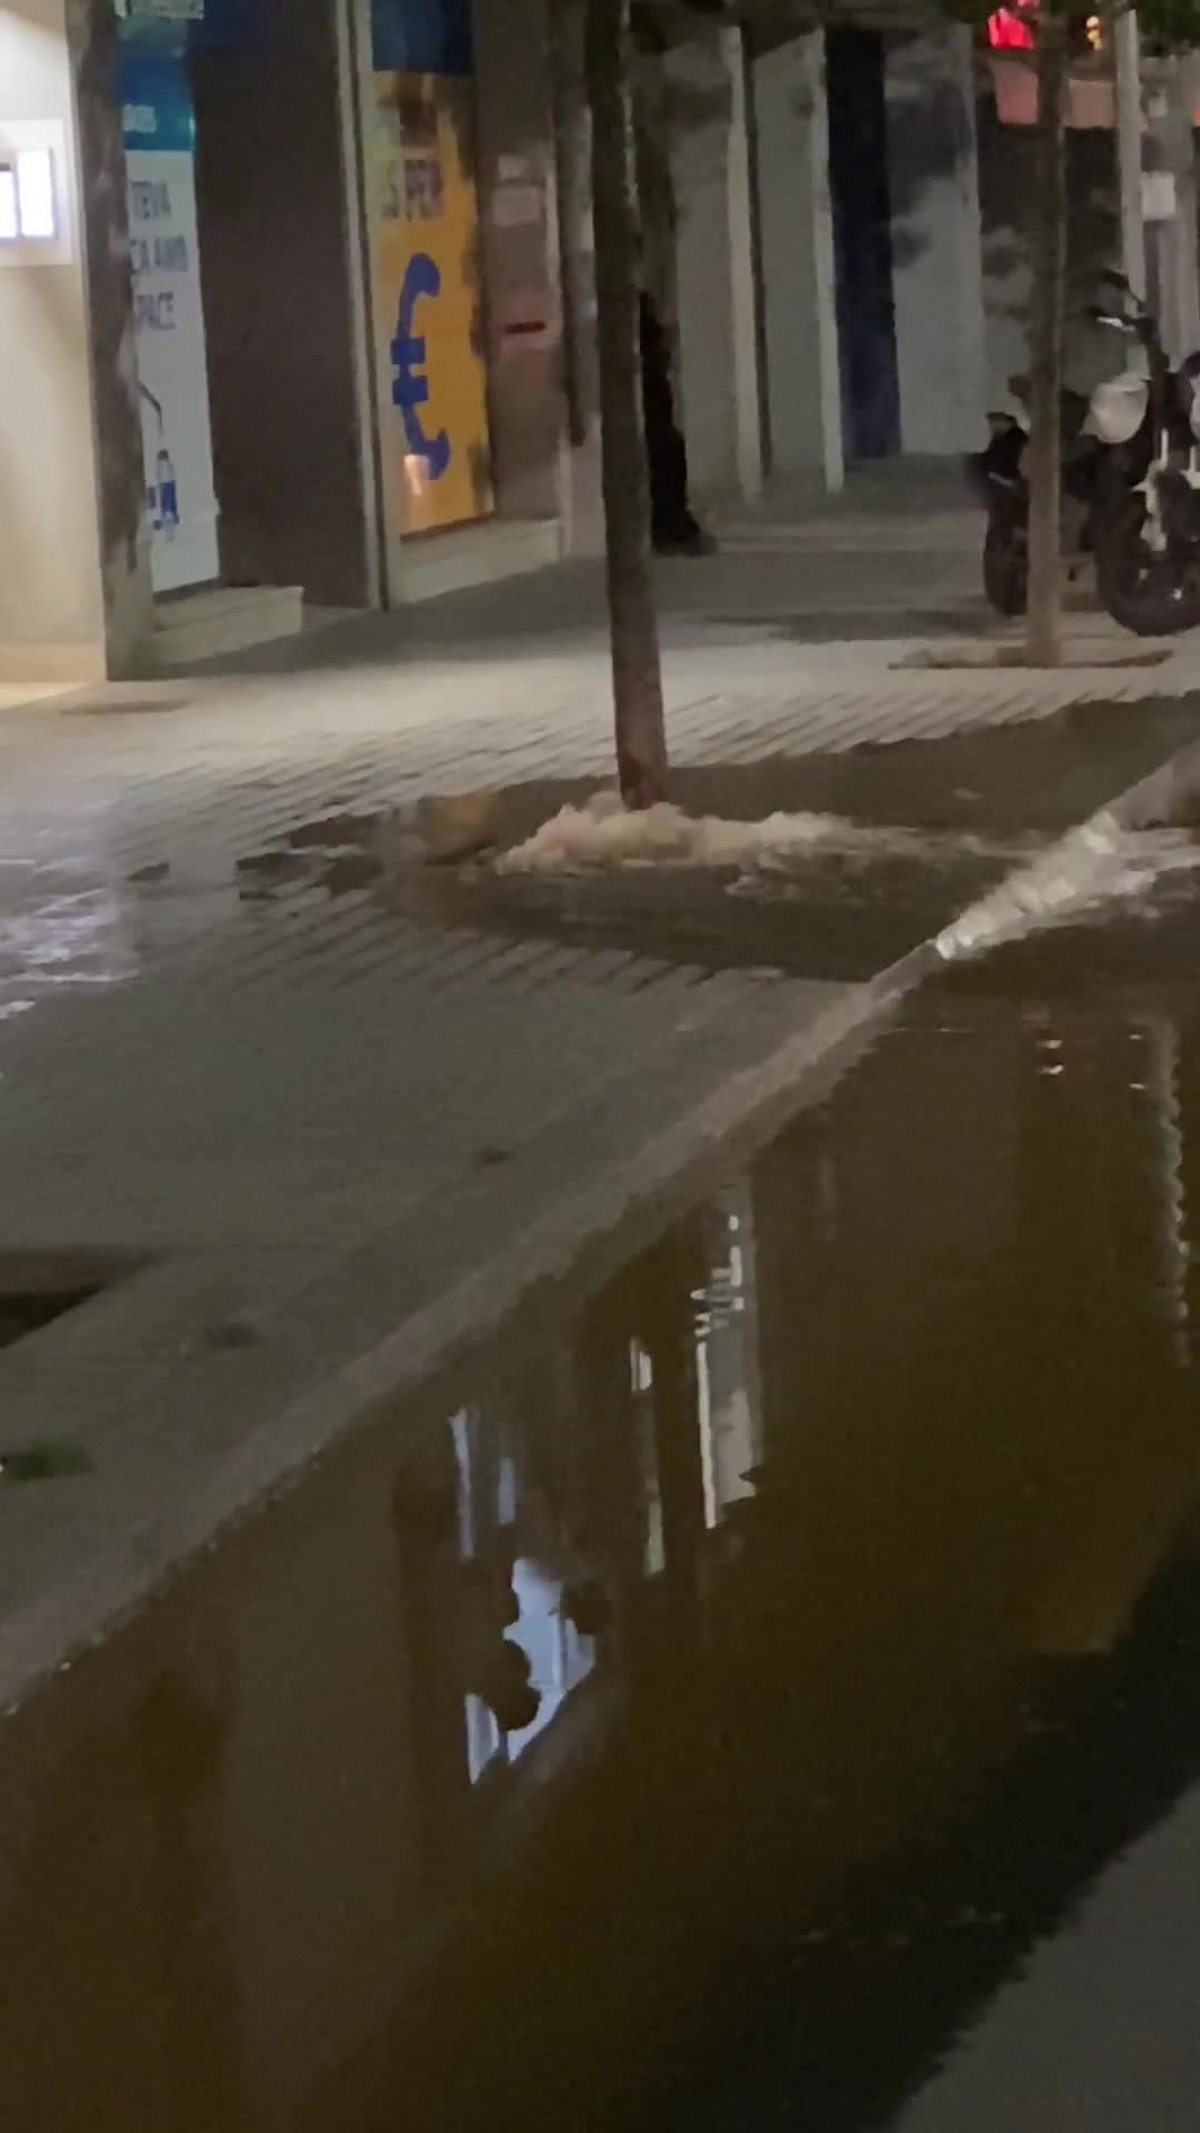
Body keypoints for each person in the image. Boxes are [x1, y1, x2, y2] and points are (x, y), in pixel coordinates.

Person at [639, 289, 716, 558]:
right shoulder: (648, 354)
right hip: (653, 428)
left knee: (671, 457)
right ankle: (672, 529)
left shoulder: (652, 354)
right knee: (667, 462)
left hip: (658, 424)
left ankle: (675, 527)